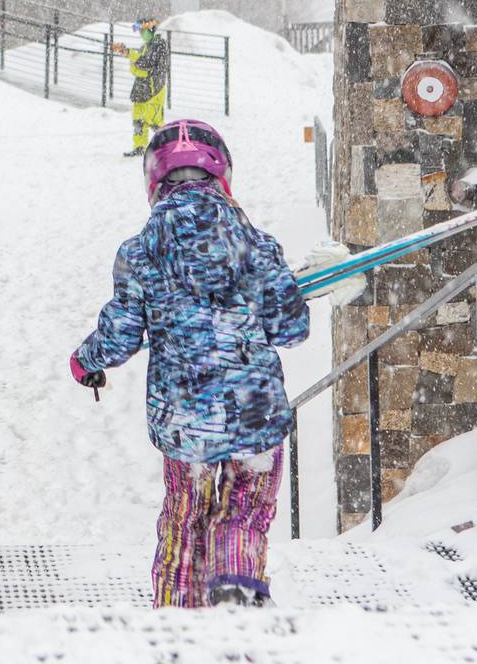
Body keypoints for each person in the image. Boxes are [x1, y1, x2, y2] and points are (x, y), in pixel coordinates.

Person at [68, 121, 309, 608]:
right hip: (255, 414)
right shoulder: (258, 246)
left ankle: (177, 618)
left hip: (185, 420)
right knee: (243, 512)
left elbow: (119, 336)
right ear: (221, 176)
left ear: (155, 184)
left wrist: (84, 360)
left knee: (184, 519)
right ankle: (236, 587)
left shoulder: (139, 253)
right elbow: (292, 329)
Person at [112, 17, 170, 156]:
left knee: (154, 121)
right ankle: (139, 147)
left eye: (143, 30)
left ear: (150, 29)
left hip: (154, 89)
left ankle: (167, 146)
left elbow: (147, 64)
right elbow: (136, 70)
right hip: (141, 89)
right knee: (138, 121)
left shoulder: (159, 44)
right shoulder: (144, 47)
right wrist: (136, 62)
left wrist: (130, 55)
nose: (141, 34)